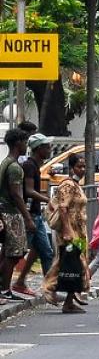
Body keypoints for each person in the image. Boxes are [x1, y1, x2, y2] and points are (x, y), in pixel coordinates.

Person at [43, 154, 89, 313]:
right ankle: (49, 287)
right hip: (69, 231)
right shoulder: (68, 185)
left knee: (76, 262)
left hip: (79, 231)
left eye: (84, 167)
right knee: (67, 261)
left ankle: (69, 300)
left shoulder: (76, 185)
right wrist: (67, 230)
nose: (82, 170)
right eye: (79, 167)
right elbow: (63, 208)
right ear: (71, 168)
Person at [12, 131, 54, 298]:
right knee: (18, 253)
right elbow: (28, 191)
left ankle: (47, 288)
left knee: (43, 251)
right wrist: (47, 199)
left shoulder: (35, 166)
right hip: (30, 216)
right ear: (39, 149)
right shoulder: (29, 166)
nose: (50, 149)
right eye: (47, 147)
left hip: (35, 215)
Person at [0, 128, 33, 301]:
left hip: (6, 212)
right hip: (11, 214)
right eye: (25, 142)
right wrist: (27, 218)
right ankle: (5, 289)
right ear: (18, 143)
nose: (26, 145)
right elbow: (16, 194)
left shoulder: (5, 162)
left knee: (8, 252)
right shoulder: (14, 167)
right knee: (14, 254)